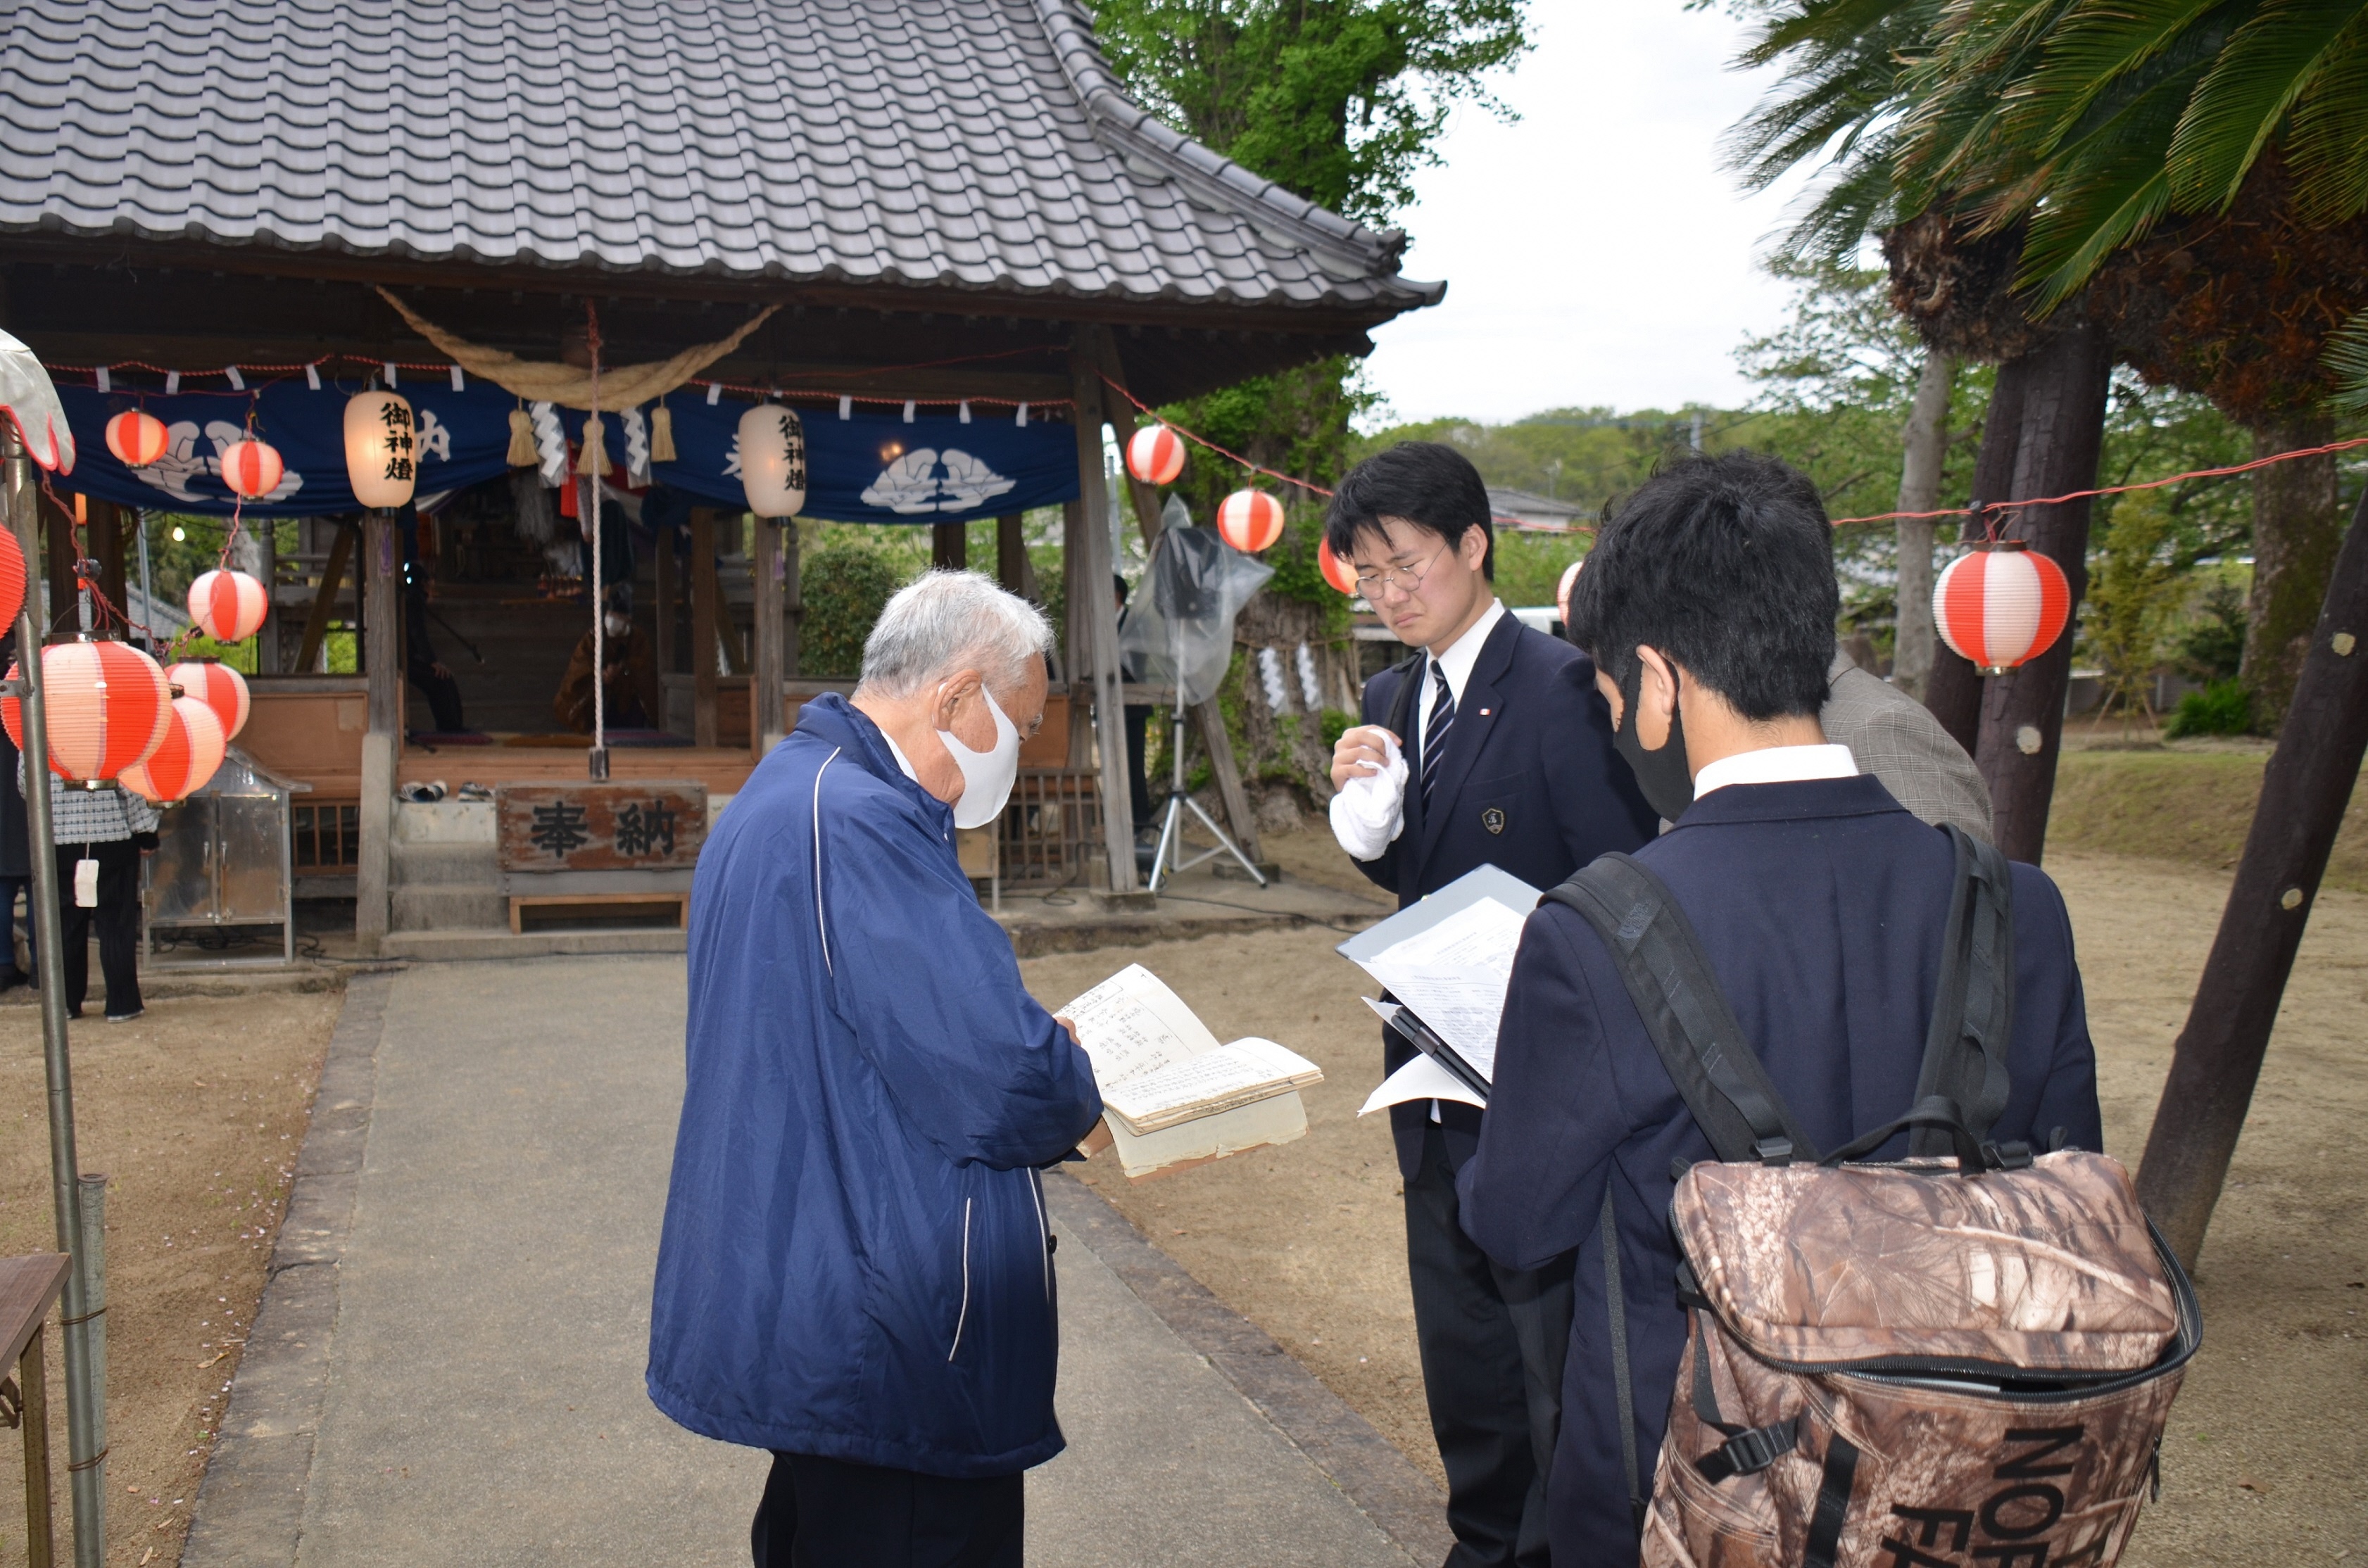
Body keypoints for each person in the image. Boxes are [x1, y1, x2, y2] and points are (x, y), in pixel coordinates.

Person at [1459, 450, 2102, 1566]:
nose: (1617, 720)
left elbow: (1519, 1226)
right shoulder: (2016, 908)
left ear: (1657, 681)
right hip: (1948, 1480)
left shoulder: (1594, 934)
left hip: (1697, 1488)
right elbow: (2066, 1180)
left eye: (1610, 693)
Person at [647, 570, 1105, 1568]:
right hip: (888, 1312)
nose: (1021, 754)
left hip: (821, 1269)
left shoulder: (793, 787)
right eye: (1019, 727)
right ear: (953, 697)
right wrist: (1073, 1080)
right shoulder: (858, 823)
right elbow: (998, 1075)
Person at [1324, 441, 1658, 1568]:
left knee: (1551, 1355)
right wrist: (1367, 812)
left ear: (1474, 545)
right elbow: (1420, 872)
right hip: (1426, 1073)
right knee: (1460, 1354)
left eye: (1405, 564)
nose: (1389, 592)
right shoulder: (1388, 693)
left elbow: (1618, 881)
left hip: (1539, 1087)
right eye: (1367, 574)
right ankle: (1482, 1544)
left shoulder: (1566, 686)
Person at [16, 754, 158, 1022]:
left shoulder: (40, 723)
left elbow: (26, 782)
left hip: (57, 839)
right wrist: (145, 831)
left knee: (64, 929)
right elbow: (131, 782)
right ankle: (122, 1003)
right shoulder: (108, 724)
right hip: (111, 836)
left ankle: (66, 1003)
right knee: (115, 926)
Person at [554, 583, 660, 733]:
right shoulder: (593, 637)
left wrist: (623, 669)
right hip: (598, 699)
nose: (614, 620)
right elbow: (580, 664)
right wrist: (600, 674)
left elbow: (644, 667)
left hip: (628, 700)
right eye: (611, 616)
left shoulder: (638, 638)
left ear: (627, 619)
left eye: (619, 617)